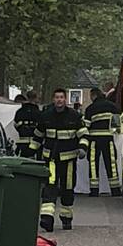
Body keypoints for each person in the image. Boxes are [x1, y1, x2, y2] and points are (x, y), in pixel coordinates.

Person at [30, 88, 88, 232]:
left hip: (68, 160)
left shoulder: (74, 116)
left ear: (65, 99)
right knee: (50, 187)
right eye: (56, 97)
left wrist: (82, 148)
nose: (59, 100)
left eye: (61, 97)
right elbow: (38, 136)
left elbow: (84, 135)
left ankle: (66, 218)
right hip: (51, 159)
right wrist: (30, 153)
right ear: (53, 99)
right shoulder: (46, 116)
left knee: (68, 188)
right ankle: (46, 219)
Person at [83, 87, 121, 196]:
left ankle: (94, 191)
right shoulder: (112, 106)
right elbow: (119, 120)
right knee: (111, 164)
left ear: (93, 96)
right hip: (108, 139)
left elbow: (86, 126)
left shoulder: (90, 108)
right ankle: (115, 190)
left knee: (93, 165)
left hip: (94, 140)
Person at [12, 92, 41, 158]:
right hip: (35, 144)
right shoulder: (39, 113)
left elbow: (15, 125)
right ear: (35, 99)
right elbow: (41, 128)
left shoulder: (19, 112)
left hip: (22, 144)